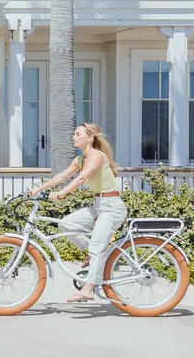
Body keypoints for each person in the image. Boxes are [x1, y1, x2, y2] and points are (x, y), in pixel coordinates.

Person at [27, 123, 125, 303]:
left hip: (111, 207)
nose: (73, 136)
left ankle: (88, 290)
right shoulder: (80, 159)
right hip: (97, 205)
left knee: (96, 248)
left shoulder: (97, 157)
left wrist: (62, 193)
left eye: (77, 134)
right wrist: (38, 189)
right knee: (66, 224)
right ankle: (97, 254)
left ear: (89, 138)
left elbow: (80, 178)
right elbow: (61, 176)